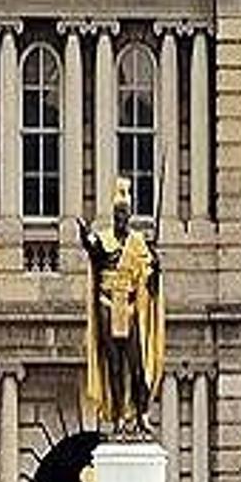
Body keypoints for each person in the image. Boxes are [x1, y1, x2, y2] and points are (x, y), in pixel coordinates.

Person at [79, 178, 164, 436]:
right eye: (117, 213)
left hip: (129, 307)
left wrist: (155, 271)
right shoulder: (104, 240)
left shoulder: (137, 243)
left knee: (137, 365)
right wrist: (84, 235)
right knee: (114, 366)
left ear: (130, 216)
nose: (120, 218)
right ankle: (117, 418)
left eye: (124, 214)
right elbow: (94, 252)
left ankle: (142, 414)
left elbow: (149, 278)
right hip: (107, 305)